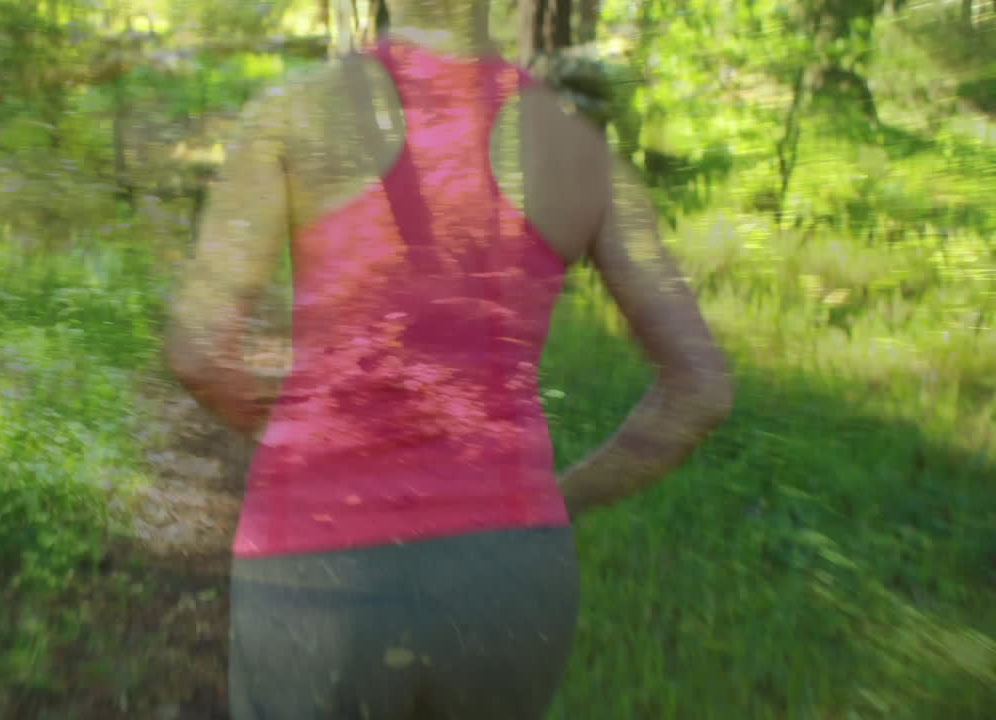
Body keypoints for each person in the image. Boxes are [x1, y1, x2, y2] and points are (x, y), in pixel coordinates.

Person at [164, 0, 734, 717]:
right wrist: (565, 497)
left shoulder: (295, 113)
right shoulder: (582, 151)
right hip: (511, 573)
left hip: (320, 563)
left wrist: (301, 432)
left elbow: (198, 354)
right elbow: (700, 390)